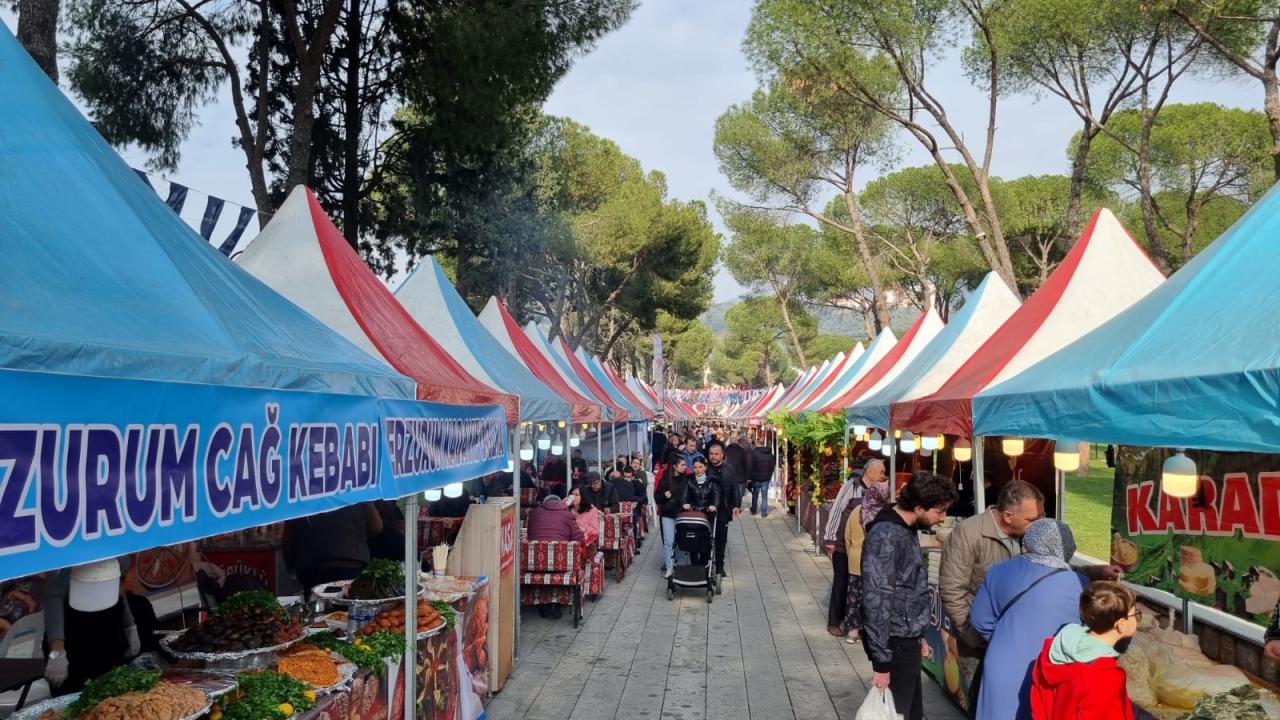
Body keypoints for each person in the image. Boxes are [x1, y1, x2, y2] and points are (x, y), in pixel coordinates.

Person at [969, 519, 1091, 720]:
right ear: (1066, 546)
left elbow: (980, 619)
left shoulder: (999, 570)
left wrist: (1006, 639)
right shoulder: (1080, 585)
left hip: (1002, 665)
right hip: (1052, 672)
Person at [862, 471, 958, 720]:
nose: (942, 518)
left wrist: (920, 633)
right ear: (918, 507)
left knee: (910, 713)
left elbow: (908, 589)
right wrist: (882, 663)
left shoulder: (905, 528)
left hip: (907, 638)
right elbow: (876, 600)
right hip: (894, 643)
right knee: (897, 713)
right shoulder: (886, 535)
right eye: (939, 511)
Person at [940, 480, 1047, 673]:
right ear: (1008, 516)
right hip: (980, 642)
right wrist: (975, 637)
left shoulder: (1030, 535)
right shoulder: (968, 533)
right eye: (1032, 520)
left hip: (1015, 636)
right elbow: (952, 590)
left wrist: (1097, 572)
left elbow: (1050, 569)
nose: (1038, 524)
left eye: (1041, 517)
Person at [1030, 581, 1139, 720]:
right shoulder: (1104, 674)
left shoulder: (1056, 648)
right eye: (1136, 614)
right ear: (1121, 625)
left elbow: (1040, 698)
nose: (1137, 618)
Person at [43, 558, 143, 693]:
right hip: (74, 634)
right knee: (76, 700)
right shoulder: (67, 551)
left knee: (113, 695)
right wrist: (57, 652)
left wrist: (130, 626)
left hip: (110, 629)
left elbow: (117, 585)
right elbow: (54, 597)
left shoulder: (118, 540)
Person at [824, 459, 885, 636]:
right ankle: (834, 621)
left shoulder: (880, 492)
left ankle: (855, 622)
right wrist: (830, 538)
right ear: (871, 472)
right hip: (844, 544)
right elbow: (836, 510)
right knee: (841, 582)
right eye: (881, 472)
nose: (883, 476)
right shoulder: (852, 486)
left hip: (867, 547)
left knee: (859, 586)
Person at [284, 503, 383, 591]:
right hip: (349, 561)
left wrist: (290, 565)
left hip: (310, 565)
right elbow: (376, 526)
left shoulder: (301, 489)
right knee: (349, 607)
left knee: (316, 608)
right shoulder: (356, 487)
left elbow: (289, 535)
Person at [844, 478, 888, 645]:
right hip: (877, 564)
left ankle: (853, 632)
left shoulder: (857, 510)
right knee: (873, 599)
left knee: (854, 597)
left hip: (856, 560)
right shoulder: (884, 514)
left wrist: (852, 554)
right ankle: (871, 632)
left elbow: (847, 536)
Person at [706, 442, 742, 577]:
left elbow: (735, 488)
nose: (713, 456)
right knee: (706, 538)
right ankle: (705, 564)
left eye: (716, 454)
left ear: (722, 455)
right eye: (711, 454)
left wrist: (737, 505)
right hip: (707, 509)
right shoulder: (705, 468)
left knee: (721, 539)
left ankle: (720, 566)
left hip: (723, 509)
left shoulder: (729, 469)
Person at [656, 457, 691, 577]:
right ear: (675, 466)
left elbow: (689, 495)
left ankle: (681, 565)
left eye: (684, 464)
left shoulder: (686, 479)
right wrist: (664, 496)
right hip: (668, 514)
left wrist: (686, 504)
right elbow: (657, 498)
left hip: (682, 514)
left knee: (682, 540)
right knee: (668, 542)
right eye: (682, 465)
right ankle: (669, 567)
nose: (685, 466)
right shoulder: (665, 479)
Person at [748, 436, 776, 516]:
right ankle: (763, 512)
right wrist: (769, 475)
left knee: (755, 494)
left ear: (757, 444)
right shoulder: (770, 454)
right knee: (764, 496)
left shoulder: (754, 453)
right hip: (766, 478)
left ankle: (754, 510)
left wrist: (750, 477)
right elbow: (772, 466)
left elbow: (751, 466)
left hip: (756, 478)